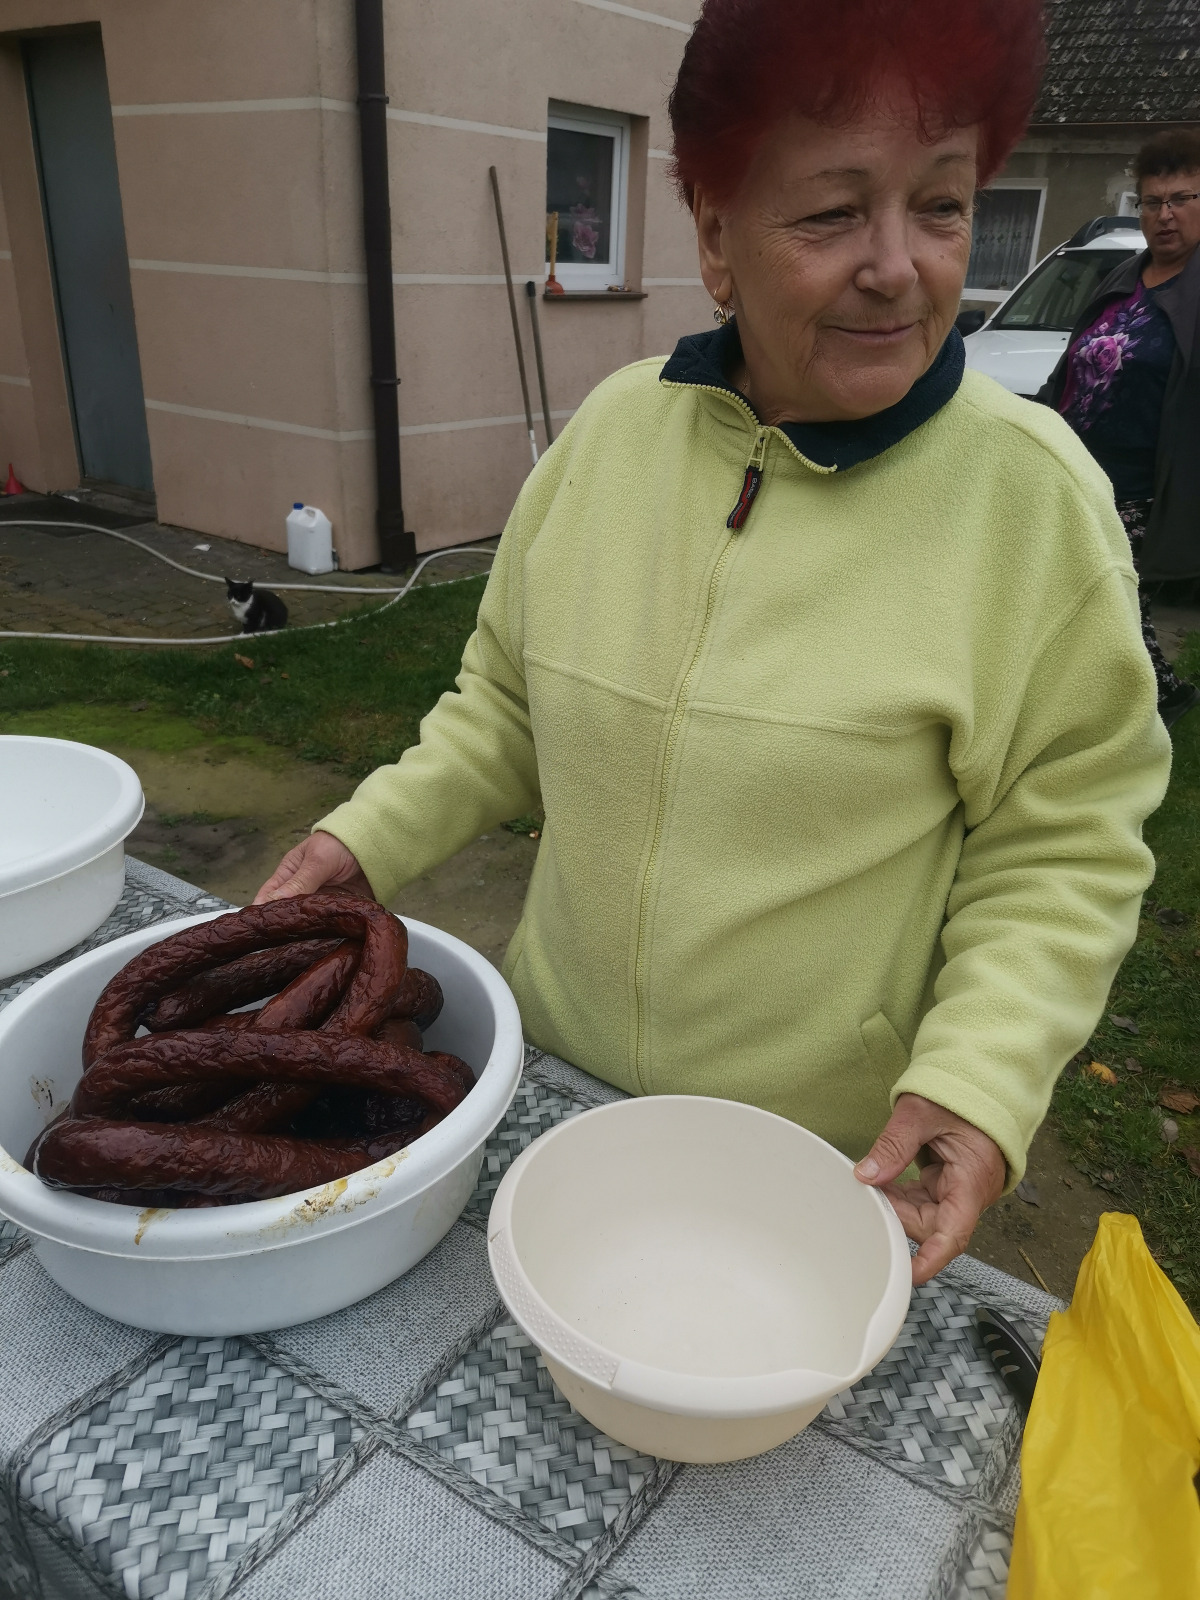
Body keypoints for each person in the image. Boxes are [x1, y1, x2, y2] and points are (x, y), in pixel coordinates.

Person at [256, 0, 1171, 1286]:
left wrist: (979, 1077)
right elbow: (506, 706)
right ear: (714, 233)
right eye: (832, 212)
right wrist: (366, 841)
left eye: (942, 206)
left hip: (813, 1166)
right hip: (555, 1092)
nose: (898, 265)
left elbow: (1063, 843)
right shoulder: (612, 436)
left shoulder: (1035, 505)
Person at [1038, 128, 1200, 729]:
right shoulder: (1123, 277)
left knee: (1103, 589)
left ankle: (1145, 698)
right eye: (1152, 202)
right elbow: (1073, 362)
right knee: (1110, 595)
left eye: (1181, 199)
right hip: (1079, 468)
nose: (1165, 215)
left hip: (1142, 483)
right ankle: (1158, 693)